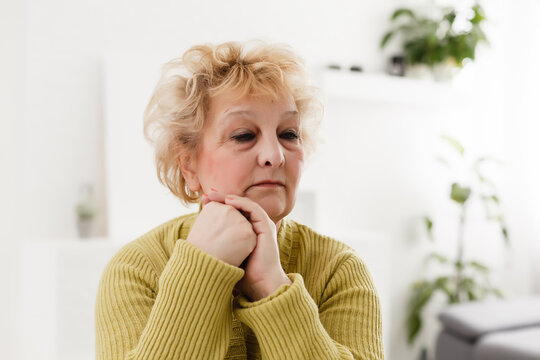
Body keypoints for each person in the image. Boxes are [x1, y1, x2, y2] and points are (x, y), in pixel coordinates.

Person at [95, 40, 385, 360]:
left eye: (289, 133)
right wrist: (201, 269)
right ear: (189, 164)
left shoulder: (339, 270)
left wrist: (273, 287)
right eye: (244, 135)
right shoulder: (136, 269)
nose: (274, 156)